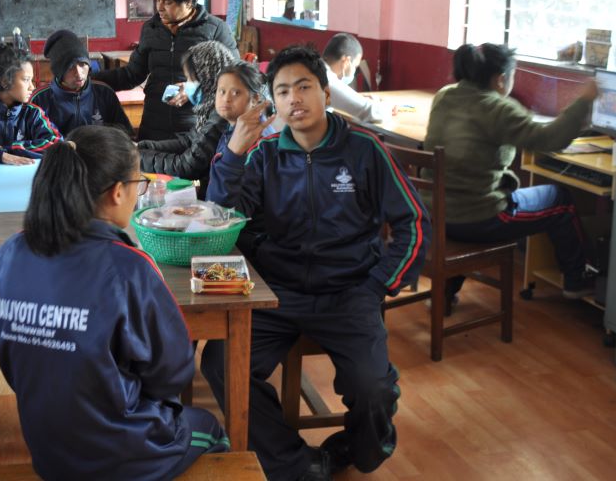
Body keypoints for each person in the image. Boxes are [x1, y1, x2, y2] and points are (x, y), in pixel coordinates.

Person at [202, 45, 430, 481]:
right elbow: (221, 219)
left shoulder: (364, 149)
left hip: (349, 294)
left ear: (326, 93)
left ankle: (356, 449)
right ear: (272, 100)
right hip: (276, 293)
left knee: (372, 389)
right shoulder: (264, 152)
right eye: (282, 91)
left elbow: (414, 222)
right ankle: (296, 463)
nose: (294, 100)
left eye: (304, 87)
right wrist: (232, 153)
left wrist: (378, 285)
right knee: (220, 362)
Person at [0, 125, 229, 480]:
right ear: (117, 192)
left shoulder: (10, 252)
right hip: (121, 454)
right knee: (212, 429)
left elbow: (16, 357)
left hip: (48, 451)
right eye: (138, 184)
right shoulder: (129, 266)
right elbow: (173, 372)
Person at [425, 43, 599, 305]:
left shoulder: (444, 96)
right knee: (559, 198)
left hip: (434, 215)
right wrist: (584, 100)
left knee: (467, 196)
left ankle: (446, 294)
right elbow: (550, 139)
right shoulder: (498, 108)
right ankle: (576, 280)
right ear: (501, 79)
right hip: (477, 220)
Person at [93, 0, 238, 142]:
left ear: (189, 1)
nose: (159, 8)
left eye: (167, 2)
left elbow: (235, 78)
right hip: (153, 128)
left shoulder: (216, 30)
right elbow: (131, 74)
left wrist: (194, 89)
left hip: (195, 131)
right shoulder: (151, 28)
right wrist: (90, 78)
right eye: (158, 0)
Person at [137, 41, 236, 188]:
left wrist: (135, 158)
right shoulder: (209, 109)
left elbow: (188, 166)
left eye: (190, 79)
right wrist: (141, 147)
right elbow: (190, 141)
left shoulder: (223, 114)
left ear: (207, 78)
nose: (186, 85)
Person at [30, 29, 132, 137]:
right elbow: (29, 144)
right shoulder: (39, 99)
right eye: (70, 67)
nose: (79, 74)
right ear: (59, 71)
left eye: (83, 64)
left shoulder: (104, 93)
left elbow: (126, 134)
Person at [321, 32, 385, 123]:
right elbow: (372, 112)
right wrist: (386, 107)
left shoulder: (315, 68)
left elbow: (337, 97)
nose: (354, 70)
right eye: (355, 66)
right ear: (346, 61)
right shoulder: (327, 80)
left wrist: (357, 97)